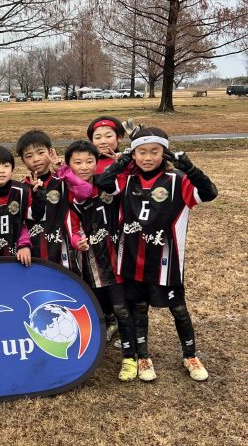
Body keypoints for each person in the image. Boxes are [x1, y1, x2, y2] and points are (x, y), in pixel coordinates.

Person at [96, 127, 218, 382]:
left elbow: (209, 193)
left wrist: (190, 168)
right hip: (132, 261)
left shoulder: (178, 181)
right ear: (134, 154)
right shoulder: (127, 181)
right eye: (142, 152)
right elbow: (103, 182)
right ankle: (143, 357)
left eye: (154, 151)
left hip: (166, 263)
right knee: (139, 311)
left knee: (179, 310)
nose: (148, 157)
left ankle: (190, 355)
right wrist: (123, 160)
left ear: (165, 153)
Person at [64, 140, 137, 381]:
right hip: (87, 262)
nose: (84, 167)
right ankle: (93, 353)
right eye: (77, 162)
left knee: (121, 309)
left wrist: (123, 164)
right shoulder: (68, 192)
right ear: (68, 165)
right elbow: (71, 225)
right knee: (96, 310)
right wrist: (77, 241)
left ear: (97, 163)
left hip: (114, 260)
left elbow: (133, 183)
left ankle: (130, 357)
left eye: (89, 161)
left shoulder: (108, 185)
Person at [16, 129, 92, 273]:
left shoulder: (62, 182)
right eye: (29, 156)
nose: (36, 159)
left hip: (61, 251)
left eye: (40, 152)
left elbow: (85, 191)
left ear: (51, 152)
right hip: (32, 252)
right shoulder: (21, 188)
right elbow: (19, 221)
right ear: (22, 161)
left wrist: (64, 171)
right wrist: (22, 244)